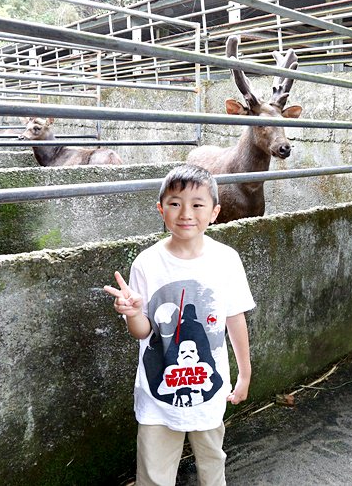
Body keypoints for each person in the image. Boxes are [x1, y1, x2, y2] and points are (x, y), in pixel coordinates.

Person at [105, 164, 254, 486]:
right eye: (175, 203)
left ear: (214, 212)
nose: (186, 212)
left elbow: (235, 316)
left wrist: (244, 373)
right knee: (154, 471)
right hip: (157, 392)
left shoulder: (226, 259)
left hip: (209, 390)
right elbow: (143, 333)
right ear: (161, 209)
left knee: (213, 461)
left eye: (197, 204)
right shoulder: (146, 263)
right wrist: (132, 313)